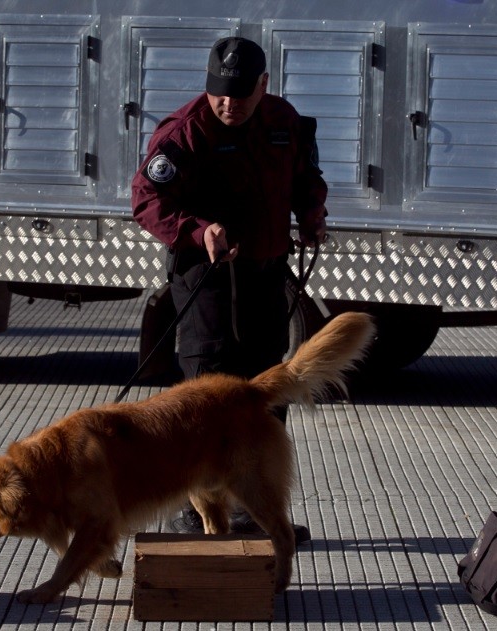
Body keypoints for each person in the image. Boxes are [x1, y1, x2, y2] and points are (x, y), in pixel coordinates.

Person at [131, 36, 328, 543]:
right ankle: (195, 512)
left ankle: (254, 508)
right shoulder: (185, 130)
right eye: (219, 93)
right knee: (204, 397)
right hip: (206, 282)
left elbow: (307, 179)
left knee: (264, 391)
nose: (227, 104)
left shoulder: (284, 122)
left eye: (239, 95)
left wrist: (311, 215)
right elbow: (146, 201)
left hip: (265, 274)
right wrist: (198, 231)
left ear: (263, 86)